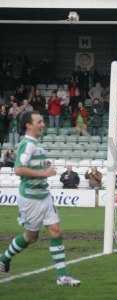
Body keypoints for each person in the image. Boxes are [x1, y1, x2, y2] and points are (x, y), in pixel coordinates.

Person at [0, 111, 80, 286]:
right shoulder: (27, 144)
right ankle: (4, 258)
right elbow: (19, 169)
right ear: (29, 125)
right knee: (31, 237)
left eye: (43, 121)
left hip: (44, 196)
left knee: (56, 231)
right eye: (40, 121)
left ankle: (62, 276)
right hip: (31, 199)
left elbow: (30, 165)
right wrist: (44, 172)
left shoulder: (36, 145)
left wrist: (44, 166)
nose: (43, 124)